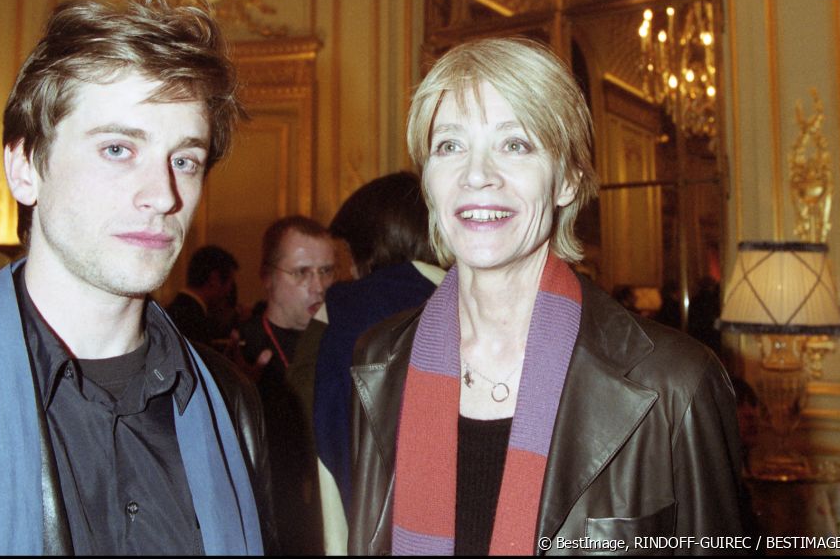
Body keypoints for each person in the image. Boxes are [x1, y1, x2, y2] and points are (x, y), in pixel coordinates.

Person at [347, 38, 748, 555]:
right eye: (450, 146)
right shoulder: (380, 361)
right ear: (427, 181)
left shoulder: (674, 385)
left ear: (567, 180)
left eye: (515, 145)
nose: (476, 175)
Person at [0, 0, 270, 555]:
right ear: (25, 167)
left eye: (184, 160)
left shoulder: (232, 402)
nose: (163, 195)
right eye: (118, 149)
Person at [308, 171, 445, 553]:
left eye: (346, 255)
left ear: (369, 247)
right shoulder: (473, 299)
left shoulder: (349, 308)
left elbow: (321, 432)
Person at [237, 215, 336, 555]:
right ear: (267, 277)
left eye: (326, 271)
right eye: (301, 272)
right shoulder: (240, 351)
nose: (318, 286)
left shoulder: (341, 341)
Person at [166, 244, 240, 346]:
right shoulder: (198, 324)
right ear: (214, 279)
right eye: (230, 284)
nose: (229, 291)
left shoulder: (167, 313)